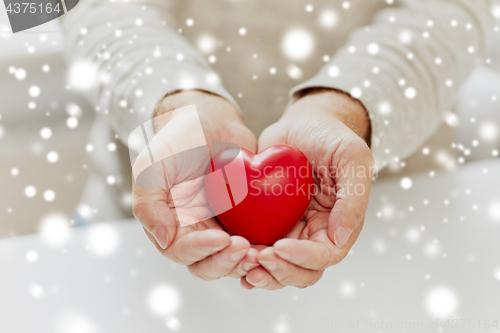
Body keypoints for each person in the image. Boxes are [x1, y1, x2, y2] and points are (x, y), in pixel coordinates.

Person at [61, 0, 496, 290]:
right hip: (149, 222)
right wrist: (176, 106)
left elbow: (456, 8)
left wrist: (343, 111)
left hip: (396, 229)